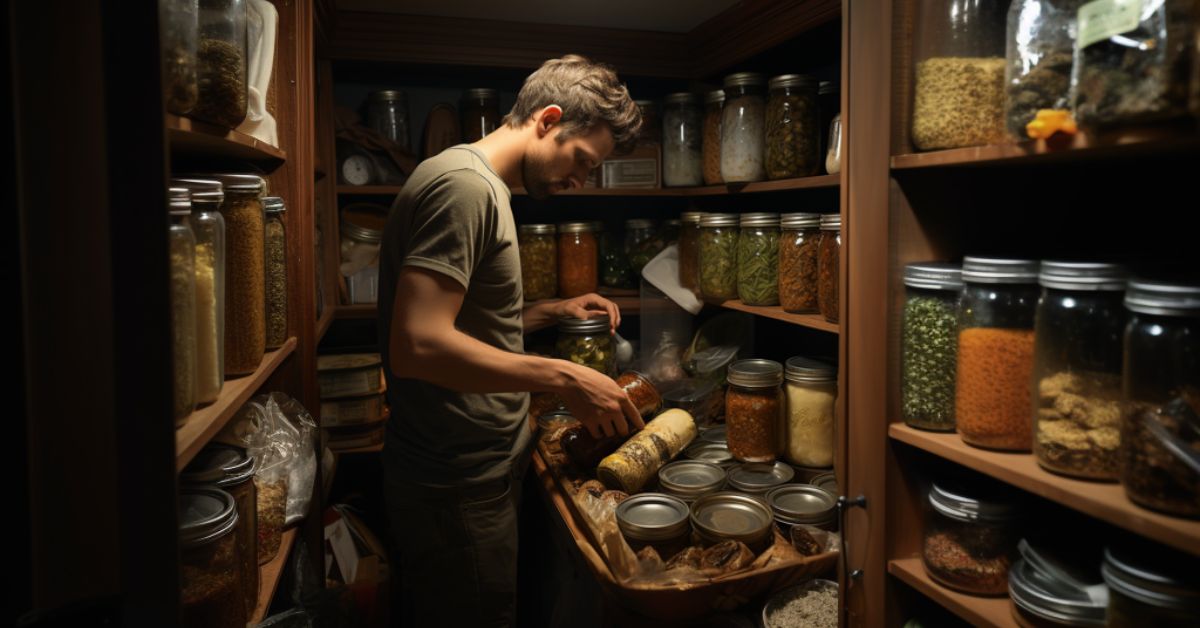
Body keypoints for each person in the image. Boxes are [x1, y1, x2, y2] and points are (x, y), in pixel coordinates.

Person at [377, 55, 645, 627]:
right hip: (457, 485)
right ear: (547, 120)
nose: (581, 180)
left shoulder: (476, 183)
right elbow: (417, 344)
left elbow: (462, 324)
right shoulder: (465, 189)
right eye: (583, 160)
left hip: (473, 471)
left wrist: (552, 312)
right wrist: (564, 376)